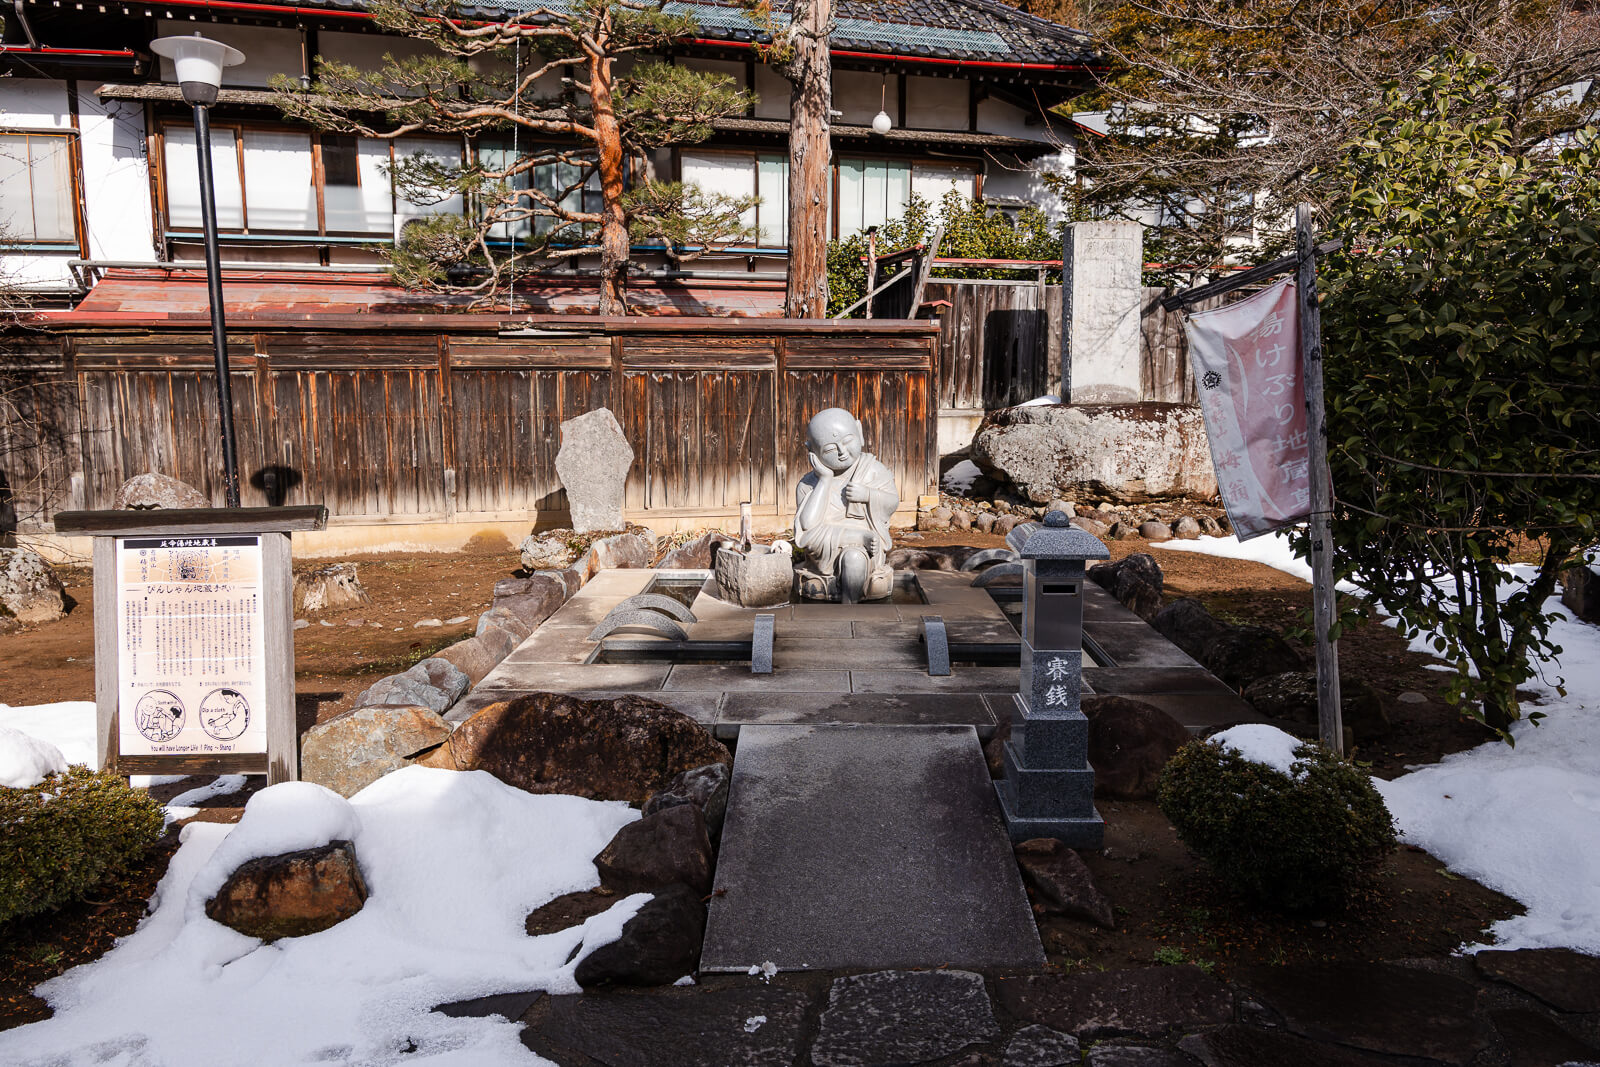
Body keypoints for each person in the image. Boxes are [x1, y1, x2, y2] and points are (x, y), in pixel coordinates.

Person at [793, 408, 899, 602]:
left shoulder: (873, 471)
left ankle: (849, 608)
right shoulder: (808, 484)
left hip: (866, 548)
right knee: (809, 535)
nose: (842, 452)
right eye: (830, 449)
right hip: (823, 550)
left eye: (847, 441)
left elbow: (892, 502)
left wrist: (868, 494)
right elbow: (807, 528)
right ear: (812, 451)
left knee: (854, 559)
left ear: (859, 431)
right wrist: (825, 479)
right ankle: (858, 537)